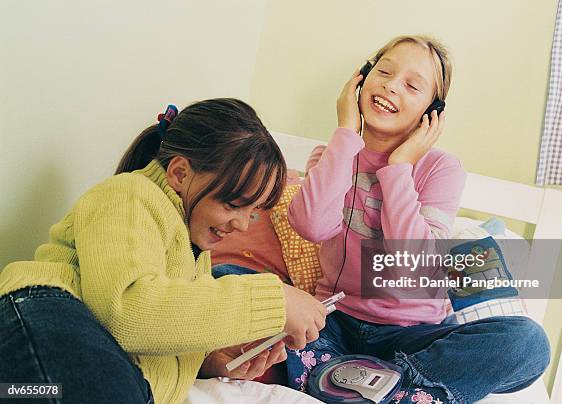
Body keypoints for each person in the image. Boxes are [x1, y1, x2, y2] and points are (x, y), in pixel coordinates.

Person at [0, 98, 327, 404]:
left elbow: (150, 339)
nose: (242, 224)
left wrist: (210, 361)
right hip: (48, 319)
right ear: (180, 173)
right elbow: (128, 311)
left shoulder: (194, 254)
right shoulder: (130, 195)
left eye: (252, 212)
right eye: (233, 204)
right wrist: (274, 300)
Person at [285, 36, 550, 403]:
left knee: (528, 344)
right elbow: (310, 225)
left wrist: (399, 168)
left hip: (413, 336)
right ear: (360, 80)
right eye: (384, 72)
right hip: (335, 322)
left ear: (432, 112)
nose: (391, 86)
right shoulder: (334, 154)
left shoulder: (441, 169)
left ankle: (385, 382)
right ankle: (378, 385)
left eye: (412, 86)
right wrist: (346, 132)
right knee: (236, 285)